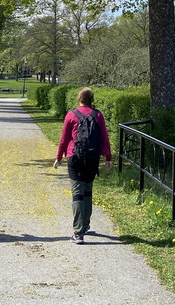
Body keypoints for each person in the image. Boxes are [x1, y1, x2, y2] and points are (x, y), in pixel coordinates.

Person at [55, 87, 112, 244]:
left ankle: (78, 232)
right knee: (87, 191)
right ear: (92, 99)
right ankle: (85, 224)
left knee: (77, 193)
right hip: (92, 157)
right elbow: (104, 137)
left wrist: (59, 157)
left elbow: (63, 139)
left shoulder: (72, 115)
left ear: (79, 98)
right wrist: (108, 157)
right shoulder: (98, 115)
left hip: (75, 157)